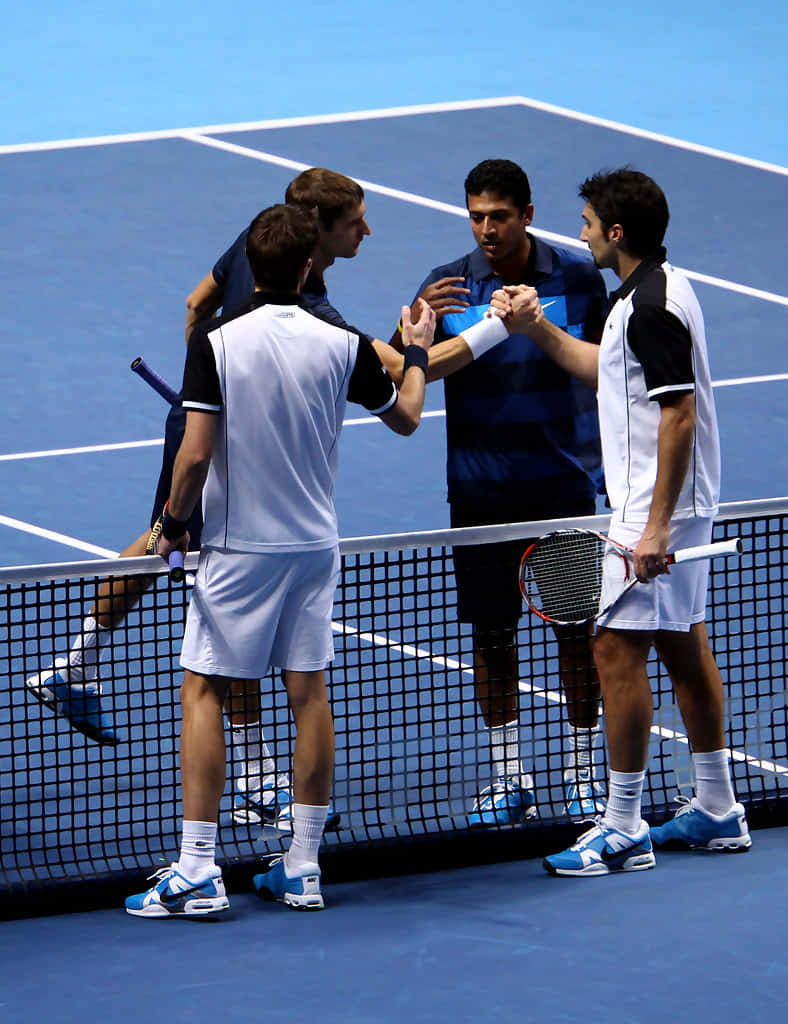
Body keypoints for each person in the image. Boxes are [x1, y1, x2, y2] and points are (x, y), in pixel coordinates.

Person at [25, 168, 389, 832]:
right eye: (355, 220)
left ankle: (75, 663)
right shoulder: (315, 299)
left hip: (209, 411)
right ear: (315, 233)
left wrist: (205, 380)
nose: (367, 230)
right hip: (230, 434)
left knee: (171, 537)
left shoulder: (257, 237)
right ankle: (254, 777)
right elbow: (379, 370)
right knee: (222, 583)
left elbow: (199, 304)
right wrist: (456, 343)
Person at [124, 203, 435, 915]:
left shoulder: (217, 342)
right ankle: (302, 866)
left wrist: (172, 524)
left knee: (203, 690)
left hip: (238, 550)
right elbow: (408, 415)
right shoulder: (343, 343)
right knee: (309, 695)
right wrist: (415, 350)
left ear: (250, 267)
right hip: (314, 547)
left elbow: (195, 453)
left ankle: (198, 869)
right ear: (306, 266)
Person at [489, 168, 751, 875]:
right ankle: (719, 809)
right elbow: (610, 374)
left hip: (653, 510)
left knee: (613, 651)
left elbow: (679, 412)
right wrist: (536, 325)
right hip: (668, 504)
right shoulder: (654, 292)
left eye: (587, 221)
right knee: (683, 646)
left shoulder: (649, 308)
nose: (578, 232)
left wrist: (655, 527)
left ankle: (625, 825)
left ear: (616, 232)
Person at [392, 159, 609, 823]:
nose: (487, 229)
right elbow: (410, 371)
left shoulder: (577, 278)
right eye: (476, 216)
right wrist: (437, 331)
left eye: (500, 217)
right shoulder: (447, 289)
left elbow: (607, 369)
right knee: (493, 636)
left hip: (564, 488)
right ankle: (509, 775)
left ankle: (580, 773)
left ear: (527, 215)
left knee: (577, 633)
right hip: (481, 496)